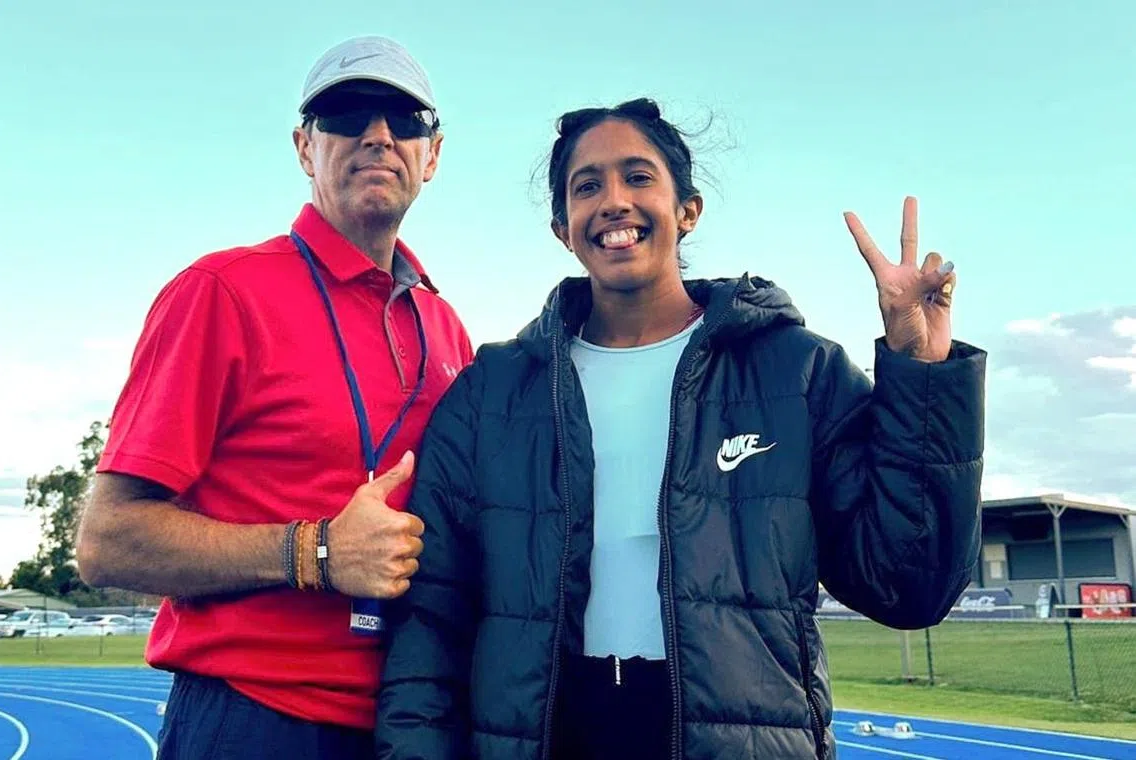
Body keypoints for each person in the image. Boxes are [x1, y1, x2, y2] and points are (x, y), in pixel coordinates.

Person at [373, 98, 985, 759]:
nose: (614, 202)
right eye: (588, 186)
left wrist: (923, 369)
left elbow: (909, 584)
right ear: (562, 227)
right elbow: (430, 624)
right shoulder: (490, 393)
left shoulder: (797, 372)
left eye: (638, 177)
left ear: (688, 210)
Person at [75, 36, 474, 759]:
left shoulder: (446, 328)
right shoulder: (221, 292)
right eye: (348, 113)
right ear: (304, 146)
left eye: (405, 119)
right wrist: (315, 551)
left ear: (433, 155)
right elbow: (108, 542)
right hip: (254, 719)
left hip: (409, 721)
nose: (378, 134)